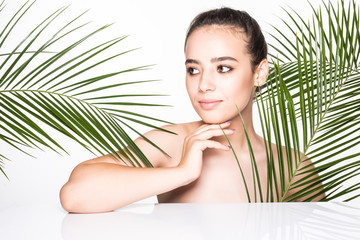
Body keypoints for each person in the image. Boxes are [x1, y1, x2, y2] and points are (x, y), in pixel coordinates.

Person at [60, 7, 324, 213]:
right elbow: (75, 194)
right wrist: (183, 172)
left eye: (223, 68)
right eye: (193, 70)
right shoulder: (174, 144)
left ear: (260, 72)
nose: (204, 85)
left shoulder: (294, 167)